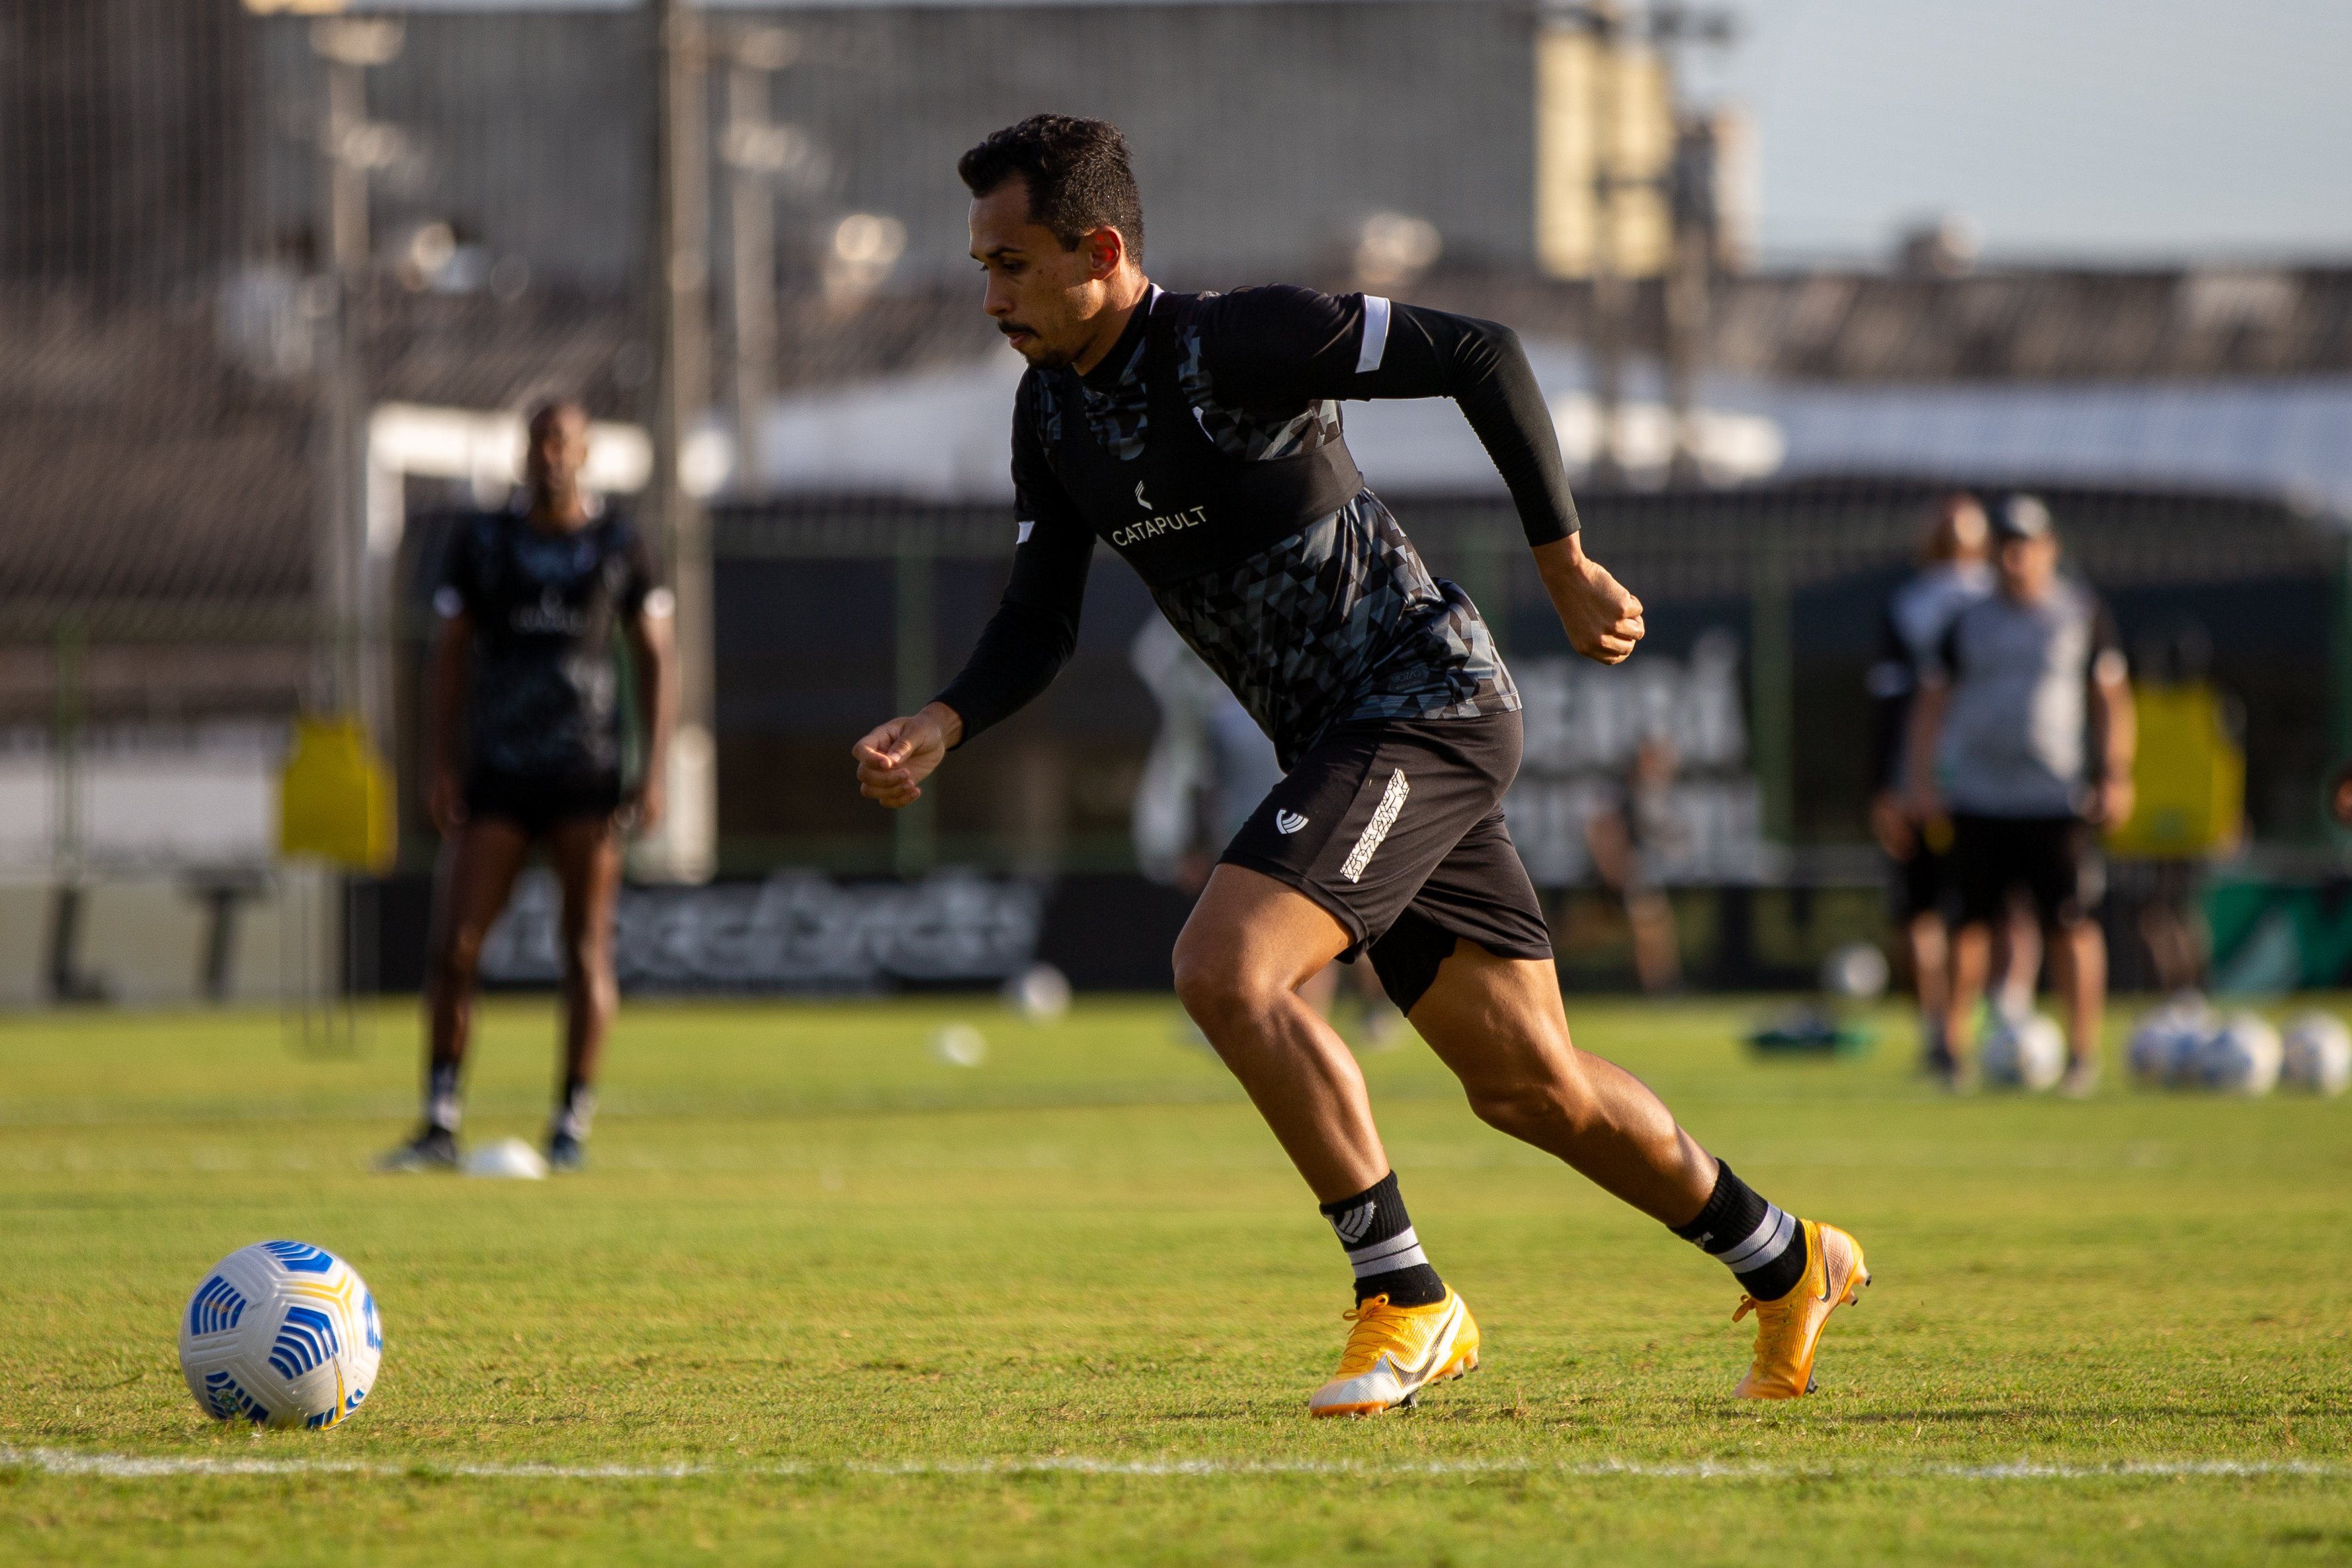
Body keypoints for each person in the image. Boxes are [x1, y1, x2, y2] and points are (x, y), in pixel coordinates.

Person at [851, 116, 1867, 1417]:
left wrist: (1561, 563)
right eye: (980, 265)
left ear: (1098, 250)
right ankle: (1787, 1260)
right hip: (1342, 744)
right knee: (1527, 1085)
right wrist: (942, 719)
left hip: (1421, 704)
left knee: (1222, 967)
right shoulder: (1049, 413)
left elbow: (1478, 353)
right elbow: (1038, 621)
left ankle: (1404, 1297)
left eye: (1008, 264)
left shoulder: (1234, 340)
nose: (987, 295)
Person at [380, 400, 675, 1173]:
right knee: (455, 943)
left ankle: (571, 1121)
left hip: (586, 772)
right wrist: (439, 762)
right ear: (523, 453)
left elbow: (655, 657)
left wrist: (653, 770)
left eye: (563, 442)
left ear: (585, 454)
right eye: (538, 441)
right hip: (499, 773)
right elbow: (447, 654)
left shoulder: (621, 545)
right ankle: (439, 1121)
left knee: (583, 949)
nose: (549, 455)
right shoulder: (481, 542)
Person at [1906, 495, 2134, 1096]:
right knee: (1968, 925)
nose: (2014, 558)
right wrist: (1922, 781)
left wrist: (2116, 772)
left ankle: (2083, 1055)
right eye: (2005, 546)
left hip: (2052, 795)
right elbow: (1931, 705)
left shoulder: (2079, 613)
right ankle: (1950, 1051)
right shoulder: (1967, 620)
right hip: (1980, 794)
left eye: (2026, 545)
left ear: (2050, 549)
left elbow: (2111, 699)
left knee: (2069, 922)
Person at [1866, 495, 1994, 1073]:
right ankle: (1970, 1021)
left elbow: (1890, 705)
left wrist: (1885, 787)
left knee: (1921, 909)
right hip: (1988, 778)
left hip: (1919, 779)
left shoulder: (1909, 604)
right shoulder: (2005, 599)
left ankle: (1935, 1026)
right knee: (1982, 908)